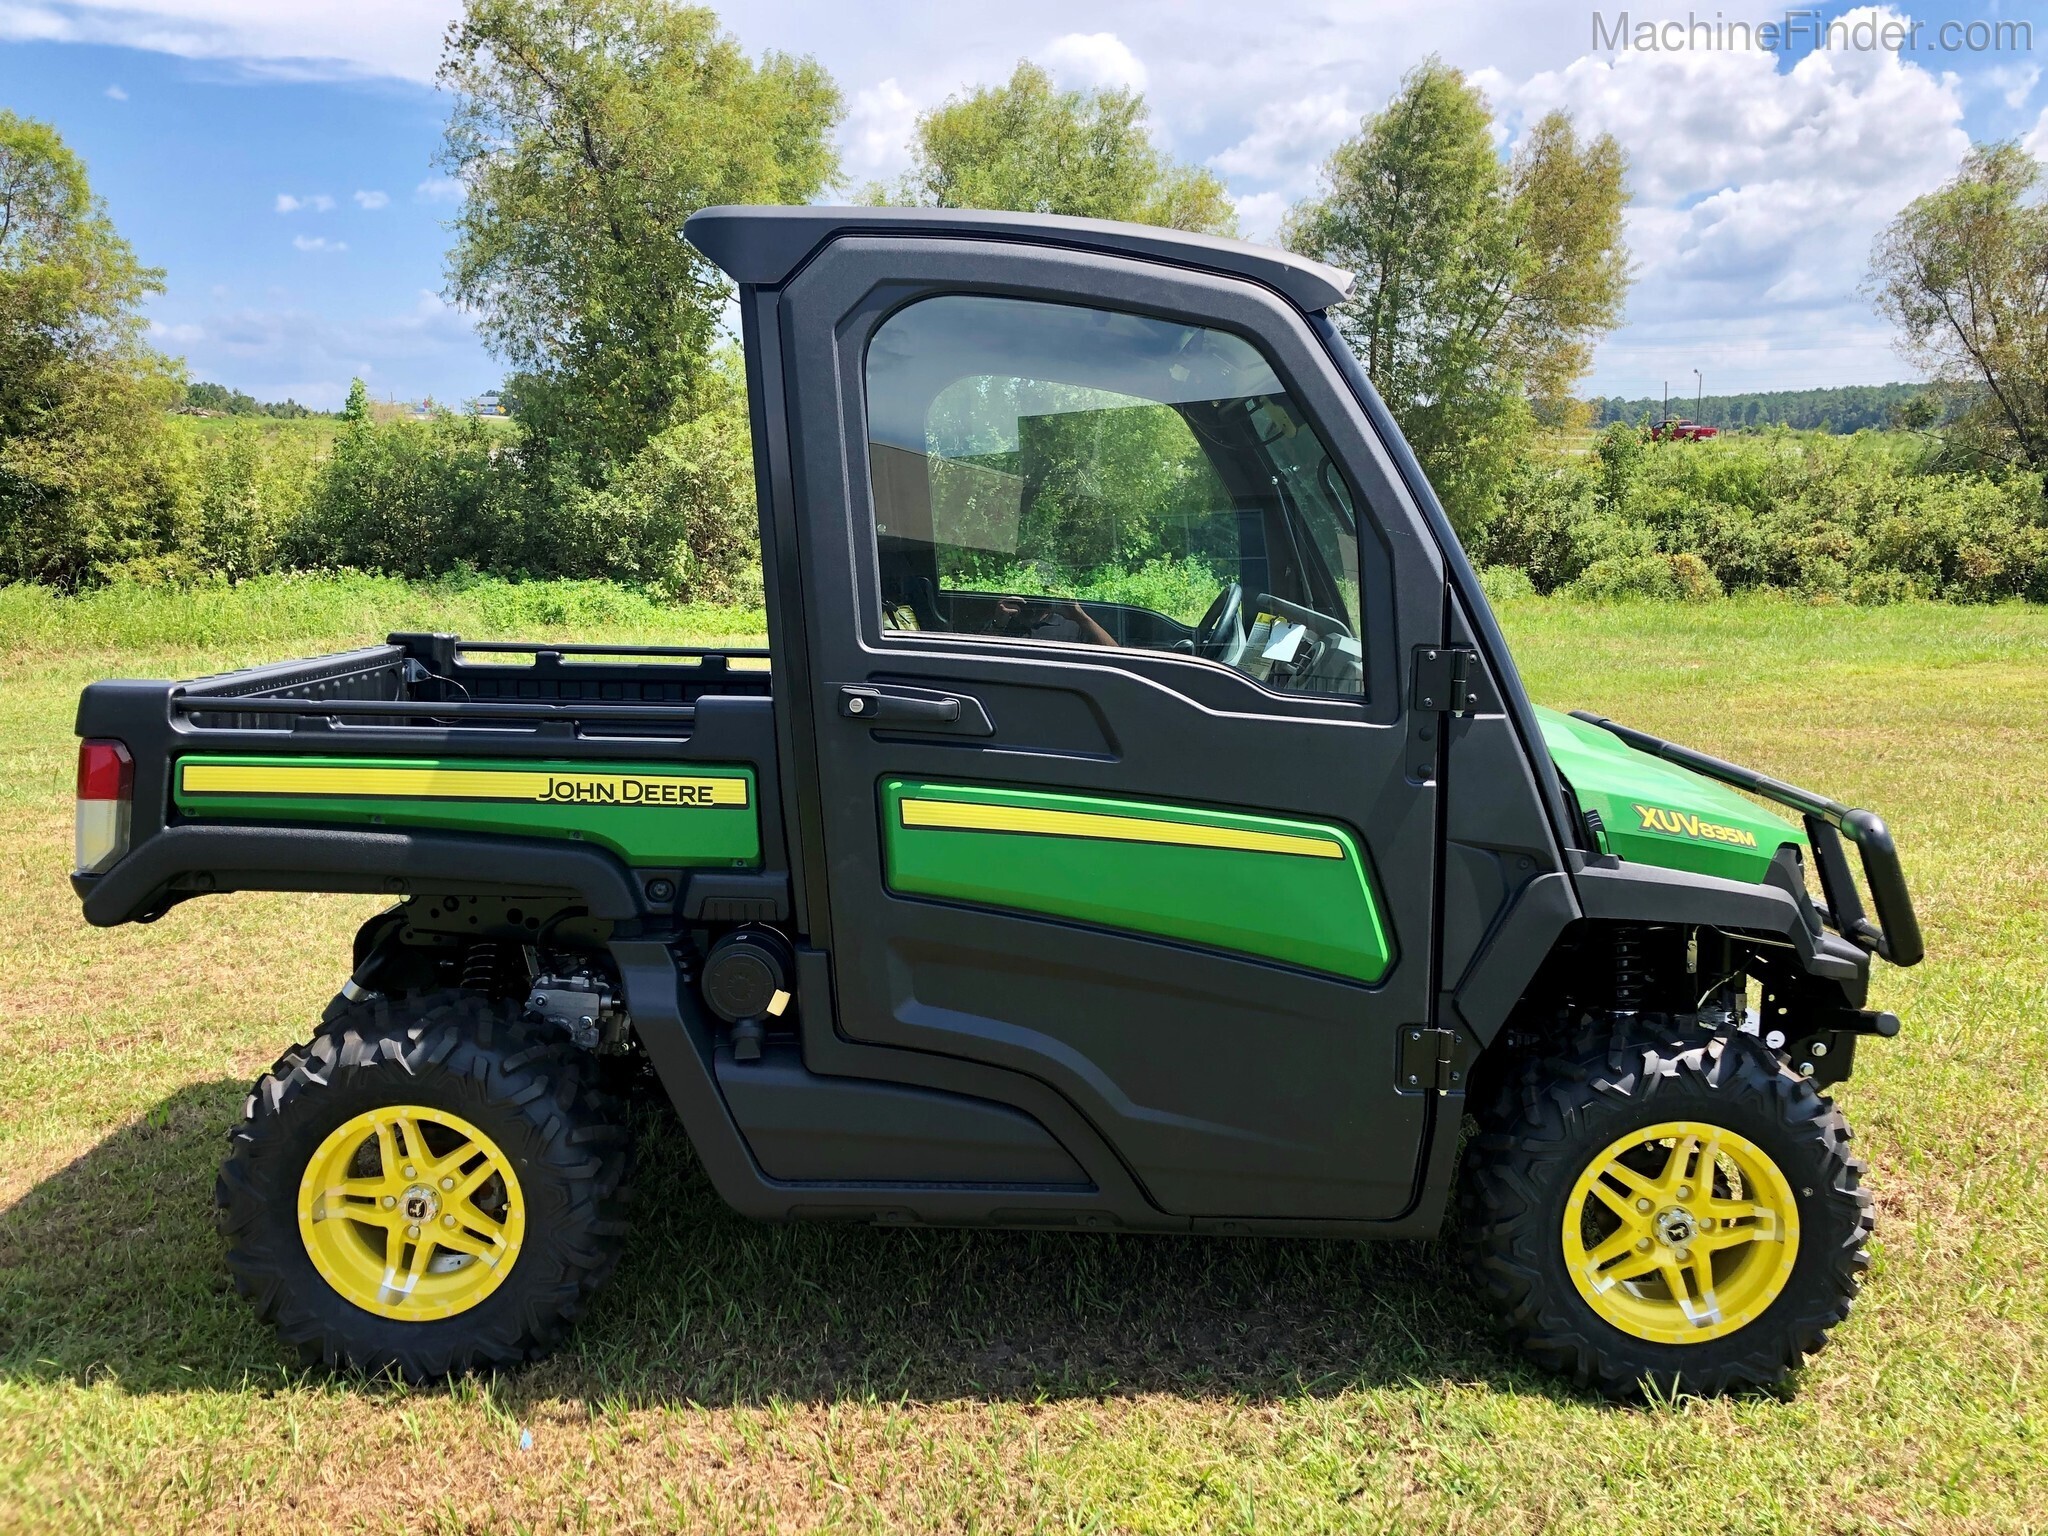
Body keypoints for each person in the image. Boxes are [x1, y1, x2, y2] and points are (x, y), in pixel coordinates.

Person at [989, 595, 1119, 646]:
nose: (1034, 598)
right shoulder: (1004, 620)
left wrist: (1081, 617)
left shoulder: (1072, 626)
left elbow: (1115, 655)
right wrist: (998, 624)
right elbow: (977, 658)